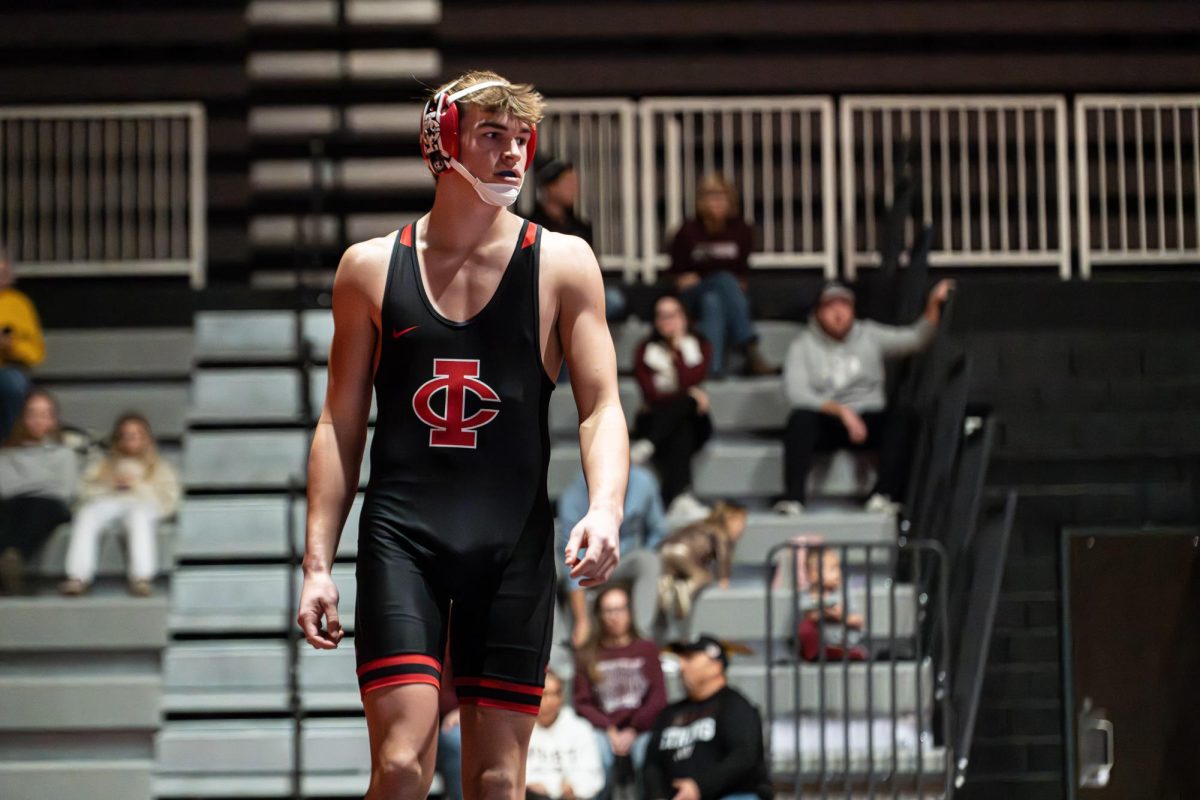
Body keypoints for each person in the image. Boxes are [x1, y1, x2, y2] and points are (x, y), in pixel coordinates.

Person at [296, 71, 628, 800]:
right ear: (442, 144)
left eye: (521, 139)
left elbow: (602, 405)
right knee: (404, 762)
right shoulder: (371, 267)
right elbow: (339, 420)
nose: (513, 154)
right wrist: (317, 560)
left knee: (496, 778)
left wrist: (604, 507)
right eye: (491, 135)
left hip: (512, 540)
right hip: (403, 535)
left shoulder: (564, 263)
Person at [776, 279, 954, 516]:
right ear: (818, 313)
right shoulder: (803, 345)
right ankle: (793, 498)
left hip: (869, 417)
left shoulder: (869, 334)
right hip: (828, 419)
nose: (838, 312)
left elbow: (916, 339)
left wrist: (933, 304)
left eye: (844, 305)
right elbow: (796, 393)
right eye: (830, 306)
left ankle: (883, 495)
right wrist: (842, 412)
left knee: (903, 418)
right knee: (799, 420)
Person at [59, 413, 180, 597]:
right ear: (118, 438)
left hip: (142, 504)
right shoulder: (102, 465)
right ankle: (78, 577)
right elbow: (84, 491)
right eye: (126, 435)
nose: (131, 440)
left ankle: (141, 577)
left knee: (138, 517)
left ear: (146, 438)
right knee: (87, 515)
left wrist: (138, 487)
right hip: (110, 500)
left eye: (136, 435)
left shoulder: (159, 466)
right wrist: (108, 485)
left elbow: (169, 498)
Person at [666, 175, 773, 378]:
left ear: (730, 201)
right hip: (692, 294)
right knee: (723, 279)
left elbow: (742, 271)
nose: (716, 202)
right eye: (711, 197)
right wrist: (685, 278)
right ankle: (748, 343)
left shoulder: (741, 230)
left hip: (725, 294)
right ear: (701, 201)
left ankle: (711, 368)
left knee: (713, 301)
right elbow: (676, 274)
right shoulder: (688, 230)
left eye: (721, 197)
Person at [644, 635, 771, 800]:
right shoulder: (669, 713)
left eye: (690, 658)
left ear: (715, 666)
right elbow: (652, 764)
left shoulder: (733, 704)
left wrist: (699, 788)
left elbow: (744, 755)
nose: (682, 666)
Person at [573, 585, 668, 799]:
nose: (615, 617)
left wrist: (634, 729)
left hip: (641, 727)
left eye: (620, 609)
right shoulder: (588, 653)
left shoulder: (647, 648)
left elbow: (658, 698)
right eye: (609, 610)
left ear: (630, 612)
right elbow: (582, 702)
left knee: (646, 756)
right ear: (599, 615)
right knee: (597, 757)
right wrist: (609, 729)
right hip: (603, 728)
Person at [557, 464, 667, 647]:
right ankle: (557, 651)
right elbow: (571, 559)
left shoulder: (644, 482)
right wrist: (582, 620)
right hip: (586, 563)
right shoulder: (573, 496)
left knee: (649, 561)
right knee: (546, 569)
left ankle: (641, 636)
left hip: (624, 559)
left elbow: (658, 529)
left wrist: (647, 548)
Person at [630, 294, 713, 511]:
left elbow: (690, 379)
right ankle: (680, 496)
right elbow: (652, 395)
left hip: (691, 421)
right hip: (656, 417)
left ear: (684, 317)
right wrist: (688, 394)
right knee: (682, 422)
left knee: (687, 407)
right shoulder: (644, 350)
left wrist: (676, 351)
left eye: (673, 315)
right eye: (661, 316)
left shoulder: (700, 345)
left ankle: (649, 444)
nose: (667, 321)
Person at [0, 390, 78, 594]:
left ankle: (14, 557)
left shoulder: (64, 454)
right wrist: (40, 483)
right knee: (11, 509)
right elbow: (5, 488)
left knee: (40, 507)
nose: (38, 420)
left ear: (53, 420)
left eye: (44, 415)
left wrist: (29, 484)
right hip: (14, 504)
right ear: (23, 418)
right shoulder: (7, 453)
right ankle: (10, 563)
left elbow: (64, 490)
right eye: (33, 414)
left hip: (50, 505)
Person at [657, 501, 747, 620]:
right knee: (704, 576)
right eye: (739, 523)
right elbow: (723, 555)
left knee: (681, 572)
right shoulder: (721, 533)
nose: (742, 528)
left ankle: (667, 583)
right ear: (728, 520)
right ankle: (687, 588)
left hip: (665, 551)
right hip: (683, 554)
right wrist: (724, 579)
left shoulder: (700, 525)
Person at [526, 669, 605, 800]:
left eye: (556, 694)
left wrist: (574, 787)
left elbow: (594, 775)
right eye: (544, 694)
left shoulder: (580, 728)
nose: (550, 701)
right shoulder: (522, 729)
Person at [0, 243, 46, 442]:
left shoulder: (20, 304)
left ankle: (10, 446)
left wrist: (12, 346)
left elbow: (36, 354)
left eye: (4, 270)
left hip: (7, 369)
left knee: (13, 383)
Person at [798, 547, 866, 662]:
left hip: (844, 643)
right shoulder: (806, 595)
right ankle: (815, 654)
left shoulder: (845, 593)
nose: (839, 573)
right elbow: (807, 616)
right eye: (833, 569)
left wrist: (840, 616)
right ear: (814, 574)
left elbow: (859, 621)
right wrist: (821, 612)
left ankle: (843, 652)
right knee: (806, 627)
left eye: (838, 568)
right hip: (821, 643)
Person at [530, 159, 593, 245]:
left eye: (575, 183)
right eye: (568, 182)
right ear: (551, 186)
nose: (574, 189)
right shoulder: (531, 227)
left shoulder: (581, 229)